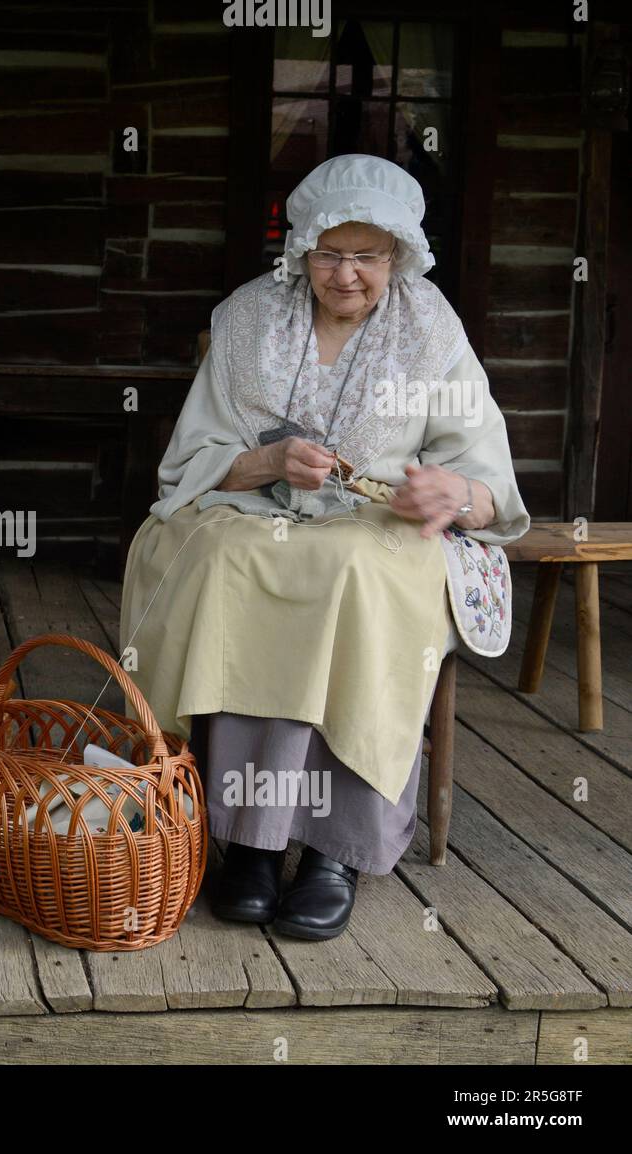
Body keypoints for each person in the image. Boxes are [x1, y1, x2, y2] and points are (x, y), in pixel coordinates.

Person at [120, 154, 529, 940]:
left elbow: (487, 482)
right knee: (222, 558)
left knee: (347, 568)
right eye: (329, 253)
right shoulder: (247, 319)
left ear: (398, 256)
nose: (347, 275)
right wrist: (269, 462)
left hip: (379, 528)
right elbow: (189, 464)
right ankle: (246, 842)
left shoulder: (431, 331)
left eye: (367, 255)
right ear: (299, 249)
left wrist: (454, 494)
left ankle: (332, 852)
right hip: (256, 510)